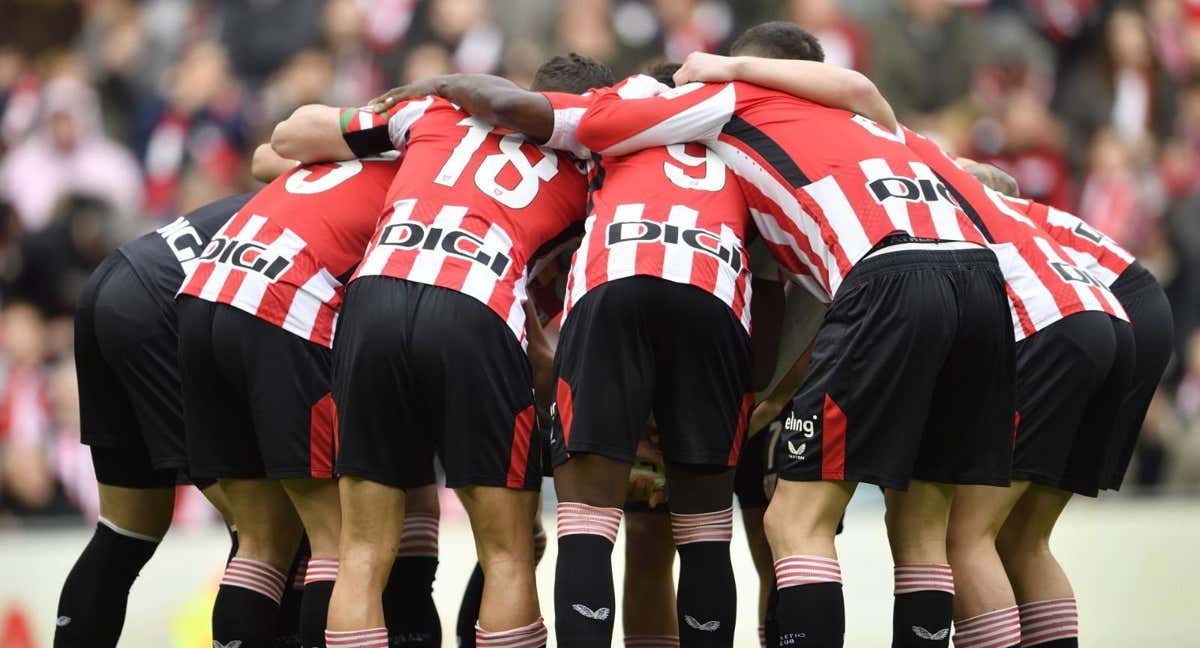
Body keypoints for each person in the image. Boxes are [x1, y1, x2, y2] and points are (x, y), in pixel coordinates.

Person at [556, 23, 1017, 647]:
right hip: (979, 284)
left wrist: (767, 402)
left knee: (792, 525)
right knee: (931, 530)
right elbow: (918, 136)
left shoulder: (732, 108)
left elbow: (595, 125)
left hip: (866, 294)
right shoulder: (870, 123)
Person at [671, 46, 1133, 648]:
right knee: (1003, 539)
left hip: (1025, 316)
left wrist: (773, 399)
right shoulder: (894, 145)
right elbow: (998, 181)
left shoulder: (824, 147)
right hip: (1104, 307)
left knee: (879, 529)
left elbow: (853, 308)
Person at [375, 60, 755, 647]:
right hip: (713, 297)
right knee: (701, 534)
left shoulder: (596, 133)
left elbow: (509, 113)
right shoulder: (739, 141)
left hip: (601, 292)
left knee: (573, 528)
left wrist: (439, 84)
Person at [269, 53, 614, 648]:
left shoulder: (436, 109)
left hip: (374, 296)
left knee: (361, 553)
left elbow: (286, 138)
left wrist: (380, 117)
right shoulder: (591, 158)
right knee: (507, 552)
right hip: (475, 302)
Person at [176, 145, 402, 648]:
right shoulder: (423, 177)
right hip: (279, 307)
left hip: (202, 294)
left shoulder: (334, 156)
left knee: (260, 543)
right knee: (339, 540)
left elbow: (265, 156)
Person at [55, 192, 247, 648]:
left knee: (126, 531)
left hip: (115, 279)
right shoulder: (388, 204)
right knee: (267, 535)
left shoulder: (321, 167)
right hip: (166, 301)